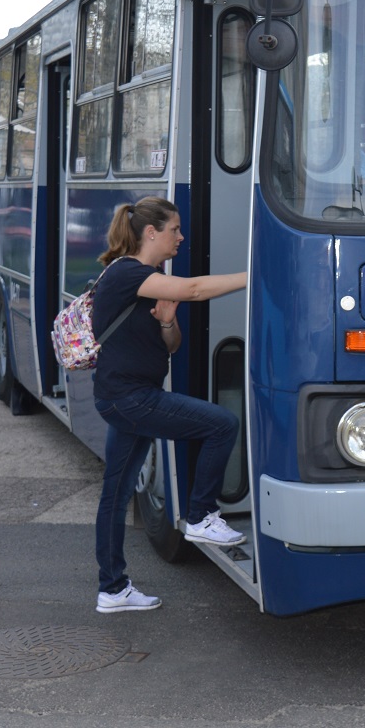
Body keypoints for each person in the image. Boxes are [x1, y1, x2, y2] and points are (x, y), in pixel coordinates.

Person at [88, 196, 247, 613]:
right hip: (130, 399)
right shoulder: (126, 273)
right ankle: (200, 517)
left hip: (125, 398)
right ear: (151, 233)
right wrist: (253, 274)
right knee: (222, 425)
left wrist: (165, 321)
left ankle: (113, 589)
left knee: (117, 491)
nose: (181, 236)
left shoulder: (149, 278)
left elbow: (171, 346)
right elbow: (194, 289)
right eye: (175, 229)